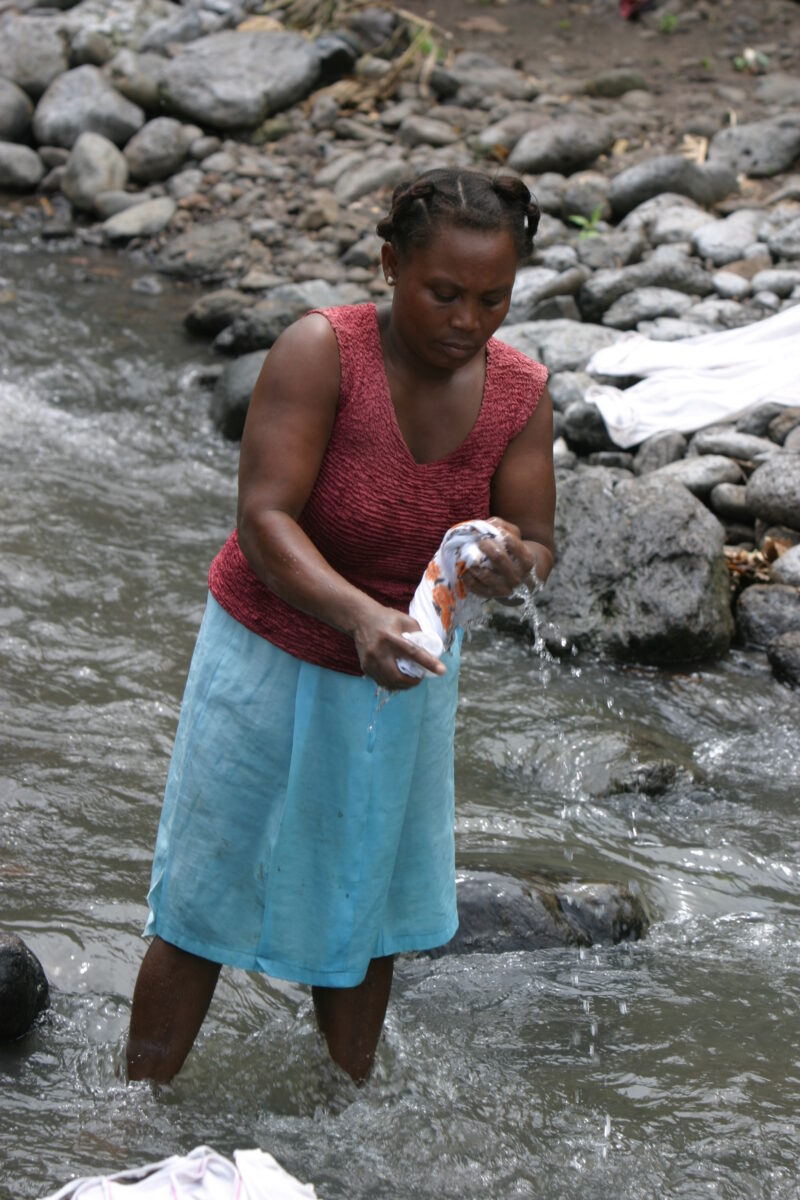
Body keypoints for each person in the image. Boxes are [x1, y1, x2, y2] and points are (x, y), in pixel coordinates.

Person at [126, 167, 555, 1086]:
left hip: (402, 670)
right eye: (444, 293)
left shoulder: (519, 393)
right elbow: (264, 518)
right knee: (205, 896)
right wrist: (359, 614)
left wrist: (513, 562)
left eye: (493, 299)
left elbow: (539, 541)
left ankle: (343, 1111)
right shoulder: (324, 352)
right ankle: (138, 1111)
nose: (468, 321)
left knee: (367, 903)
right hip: (267, 651)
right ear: (391, 264)